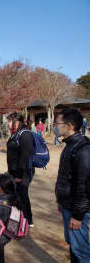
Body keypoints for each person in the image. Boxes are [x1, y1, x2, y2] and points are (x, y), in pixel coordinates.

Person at [54, 108, 90, 262]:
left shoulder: (82, 150)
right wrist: (60, 200)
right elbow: (66, 178)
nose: (55, 126)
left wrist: (78, 215)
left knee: (81, 251)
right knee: (74, 246)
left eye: (57, 123)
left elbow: (86, 186)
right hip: (67, 204)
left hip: (76, 209)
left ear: (69, 126)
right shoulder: (70, 145)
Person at [6, 113, 35, 227]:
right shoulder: (15, 133)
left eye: (9, 121)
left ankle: (28, 220)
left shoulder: (25, 134)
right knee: (18, 194)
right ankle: (20, 218)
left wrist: (19, 175)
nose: (8, 124)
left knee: (22, 195)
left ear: (16, 121)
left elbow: (25, 157)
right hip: (14, 171)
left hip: (23, 173)